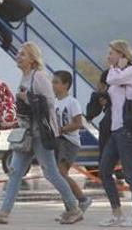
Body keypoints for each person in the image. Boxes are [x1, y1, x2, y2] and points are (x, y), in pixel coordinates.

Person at [0, 43, 84, 225]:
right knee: (15, 172)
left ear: (32, 59)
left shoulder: (38, 77)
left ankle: (74, 207)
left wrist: (29, 99)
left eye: (22, 54)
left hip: (41, 134)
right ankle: (4, 212)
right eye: (18, 53)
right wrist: (12, 121)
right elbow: (27, 111)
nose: (18, 56)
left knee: (50, 173)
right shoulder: (24, 77)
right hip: (26, 133)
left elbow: (49, 103)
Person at [98, 40, 132, 227]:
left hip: (127, 131)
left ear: (121, 54)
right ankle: (116, 212)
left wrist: (114, 67)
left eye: (112, 53)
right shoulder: (118, 72)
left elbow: (111, 79)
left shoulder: (130, 71)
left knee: (130, 173)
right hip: (115, 130)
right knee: (104, 170)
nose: (108, 56)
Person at [53, 70, 93, 215]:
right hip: (58, 141)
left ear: (66, 85)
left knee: (61, 174)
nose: (53, 85)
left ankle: (82, 200)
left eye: (56, 82)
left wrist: (62, 129)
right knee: (59, 175)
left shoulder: (72, 102)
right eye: (53, 82)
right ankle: (70, 208)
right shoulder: (55, 102)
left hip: (69, 142)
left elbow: (78, 123)